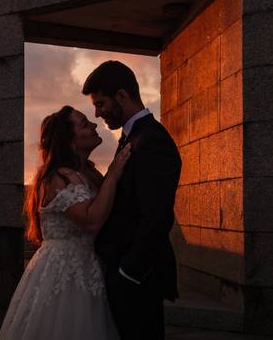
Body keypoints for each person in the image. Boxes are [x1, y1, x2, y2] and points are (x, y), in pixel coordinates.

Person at [0, 105, 130, 339]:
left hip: (90, 266)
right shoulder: (57, 178)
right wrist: (114, 174)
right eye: (84, 124)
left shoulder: (87, 172)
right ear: (70, 139)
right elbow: (91, 221)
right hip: (63, 270)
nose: (94, 125)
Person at [84, 60, 182, 340]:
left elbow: (157, 216)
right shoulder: (133, 137)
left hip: (137, 280)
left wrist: (128, 272)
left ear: (122, 96)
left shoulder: (152, 141)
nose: (97, 112)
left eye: (101, 104)